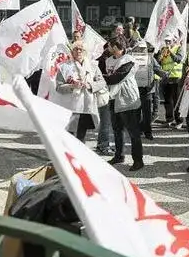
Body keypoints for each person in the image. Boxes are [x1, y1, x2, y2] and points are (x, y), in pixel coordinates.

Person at [103, 36, 145, 171]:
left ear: (116, 47)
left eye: (110, 45)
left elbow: (116, 77)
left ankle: (138, 160)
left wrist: (101, 79)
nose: (108, 48)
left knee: (133, 131)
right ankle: (119, 155)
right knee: (117, 129)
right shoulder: (109, 60)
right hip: (113, 99)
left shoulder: (129, 60)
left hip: (127, 99)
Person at [56, 41, 107, 142]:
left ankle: (79, 155)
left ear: (85, 52)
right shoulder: (64, 67)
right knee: (69, 134)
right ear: (72, 51)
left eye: (81, 49)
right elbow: (58, 87)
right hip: (71, 106)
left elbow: (102, 82)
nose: (79, 51)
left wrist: (90, 85)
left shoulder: (93, 66)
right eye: (76, 49)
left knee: (81, 134)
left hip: (86, 105)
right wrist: (72, 85)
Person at [157, 38, 184, 127]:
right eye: (166, 41)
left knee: (177, 100)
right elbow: (160, 63)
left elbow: (178, 59)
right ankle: (169, 119)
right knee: (167, 100)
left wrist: (170, 52)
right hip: (166, 78)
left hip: (176, 77)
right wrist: (159, 59)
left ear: (174, 40)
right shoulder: (163, 50)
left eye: (169, 41)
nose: (167, 42)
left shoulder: (179, 48)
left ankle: (179, 121)